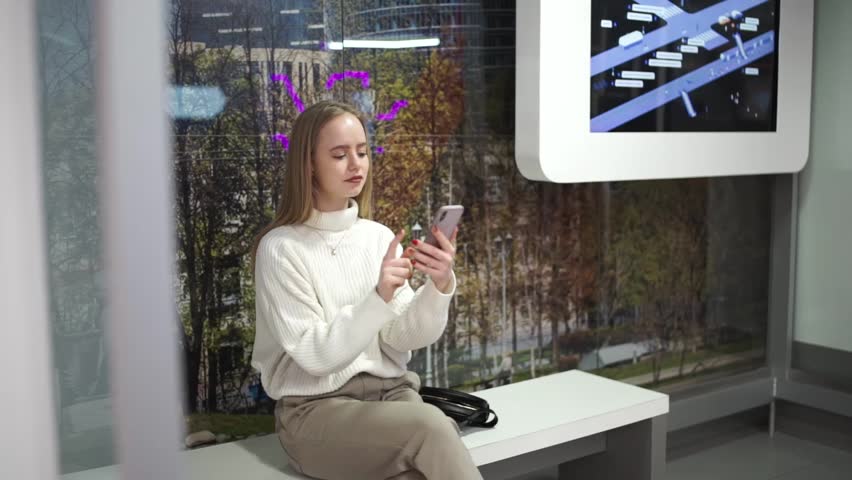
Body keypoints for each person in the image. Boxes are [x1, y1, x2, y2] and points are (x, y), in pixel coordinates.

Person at [250, 100, 483, 480]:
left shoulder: (378, 237)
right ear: (308, 164)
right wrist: (378, 298)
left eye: (362, 152)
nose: (356, 165)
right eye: (340, 155)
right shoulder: (281, 249)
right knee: (432, 428)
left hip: (393, 398)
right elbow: (316, 356)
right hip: (316, 413)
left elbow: (404, 336)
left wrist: (438, 286)